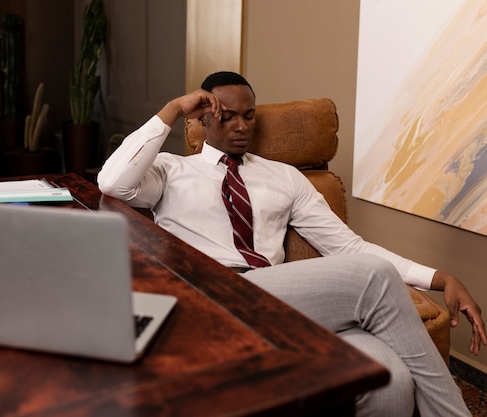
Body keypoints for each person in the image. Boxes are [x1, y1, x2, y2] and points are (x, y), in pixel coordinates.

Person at [97, 71, 487, 416]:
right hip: (211, 297)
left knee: (390, 377)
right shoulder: (170, 170)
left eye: (248, 115)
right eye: (226, 115)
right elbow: (113, 182)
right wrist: (173, 107)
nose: (240, 126)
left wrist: (439, 278)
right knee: (375, 277)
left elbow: (349, 248)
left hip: (277, 296)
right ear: (202, 117)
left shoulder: (285, 177)